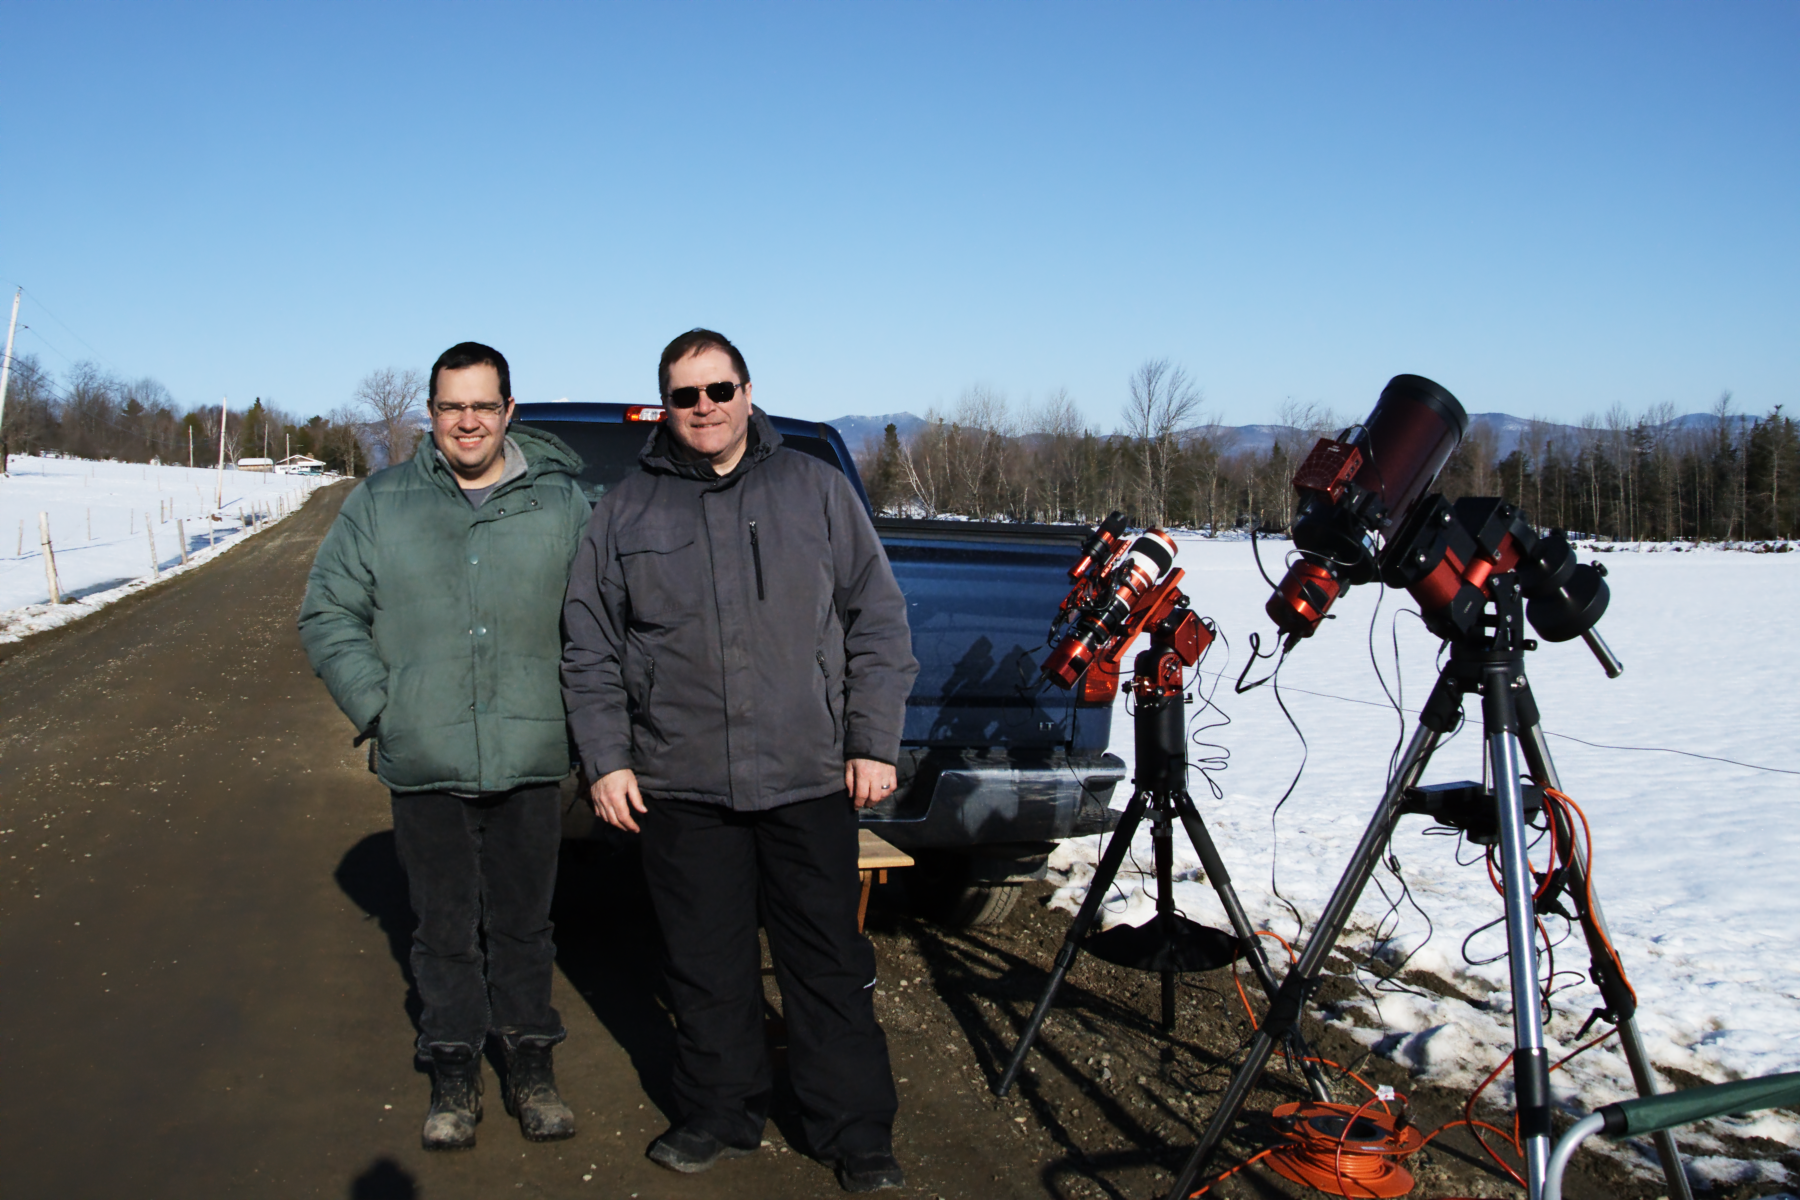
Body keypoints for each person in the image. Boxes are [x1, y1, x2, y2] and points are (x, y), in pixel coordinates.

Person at [561, 329, 918, 1192]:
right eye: (686, 396)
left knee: (827, 962)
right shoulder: (626, 512)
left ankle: (854, 1130)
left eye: (718, 390)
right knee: (704, 963)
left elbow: (877, 621)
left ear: (748, 393)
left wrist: (871, 739)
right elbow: (588, 647)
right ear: (666, 406)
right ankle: (720, 1112)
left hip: (805, 776)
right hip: (682, 785)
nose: (705, 408)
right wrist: (607, 761)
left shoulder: (817, 491)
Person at [299, 341, 590, 1150]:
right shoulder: (382, 504)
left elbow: (601, 622)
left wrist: (584, 719)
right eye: (452, 406)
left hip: (532, 758)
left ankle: (531, 1066)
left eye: (483, 405)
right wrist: (385, 709)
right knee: (442, 929)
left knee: (527, 927)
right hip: (424, 763)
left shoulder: (561, 506)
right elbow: (327, 613)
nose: (469, 421)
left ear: (509, 412)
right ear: (431, 415)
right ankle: (454, 1071)